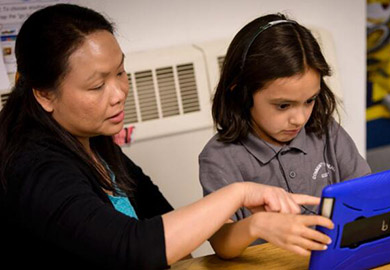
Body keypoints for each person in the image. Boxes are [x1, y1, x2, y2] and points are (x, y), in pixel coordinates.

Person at [0, 5, 334, 269]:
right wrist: (239, 194)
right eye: (97, 85)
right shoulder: (35, 168)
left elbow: (165, 224)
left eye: (120, 72)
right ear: (44, 94)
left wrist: (245, 224)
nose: (119, 93)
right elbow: (135, 248)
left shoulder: (91, 140)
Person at [199, 13, 390, 259]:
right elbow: (221, 243)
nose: (299, 118)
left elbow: (370, 200)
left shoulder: (326, 131)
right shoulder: (219, 158)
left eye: (309, 100)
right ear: (241, 93)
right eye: (283, 106)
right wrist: (257, 225)